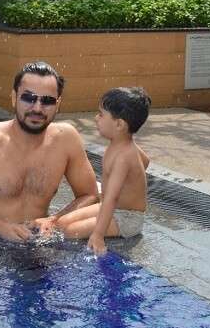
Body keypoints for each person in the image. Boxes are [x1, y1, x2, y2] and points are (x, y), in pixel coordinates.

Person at [0, 62, 98, 242]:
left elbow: (90, 195)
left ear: (58, 103)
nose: (37, 108)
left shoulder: (66, 140)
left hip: (33, 242)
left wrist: (54, 220)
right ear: (14, 97)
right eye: (28, 98)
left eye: (47, 101)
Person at [56, 87, 151, 255]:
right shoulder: (123, 144)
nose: (96, 118)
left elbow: (111, 198)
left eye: (101, 114)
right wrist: (132, 183)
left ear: (119, 124)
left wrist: (98, 236)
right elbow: (145, 161)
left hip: (127, 219)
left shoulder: (123, 157)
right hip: (114, 208)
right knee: (62, 223)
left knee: (70, 232)